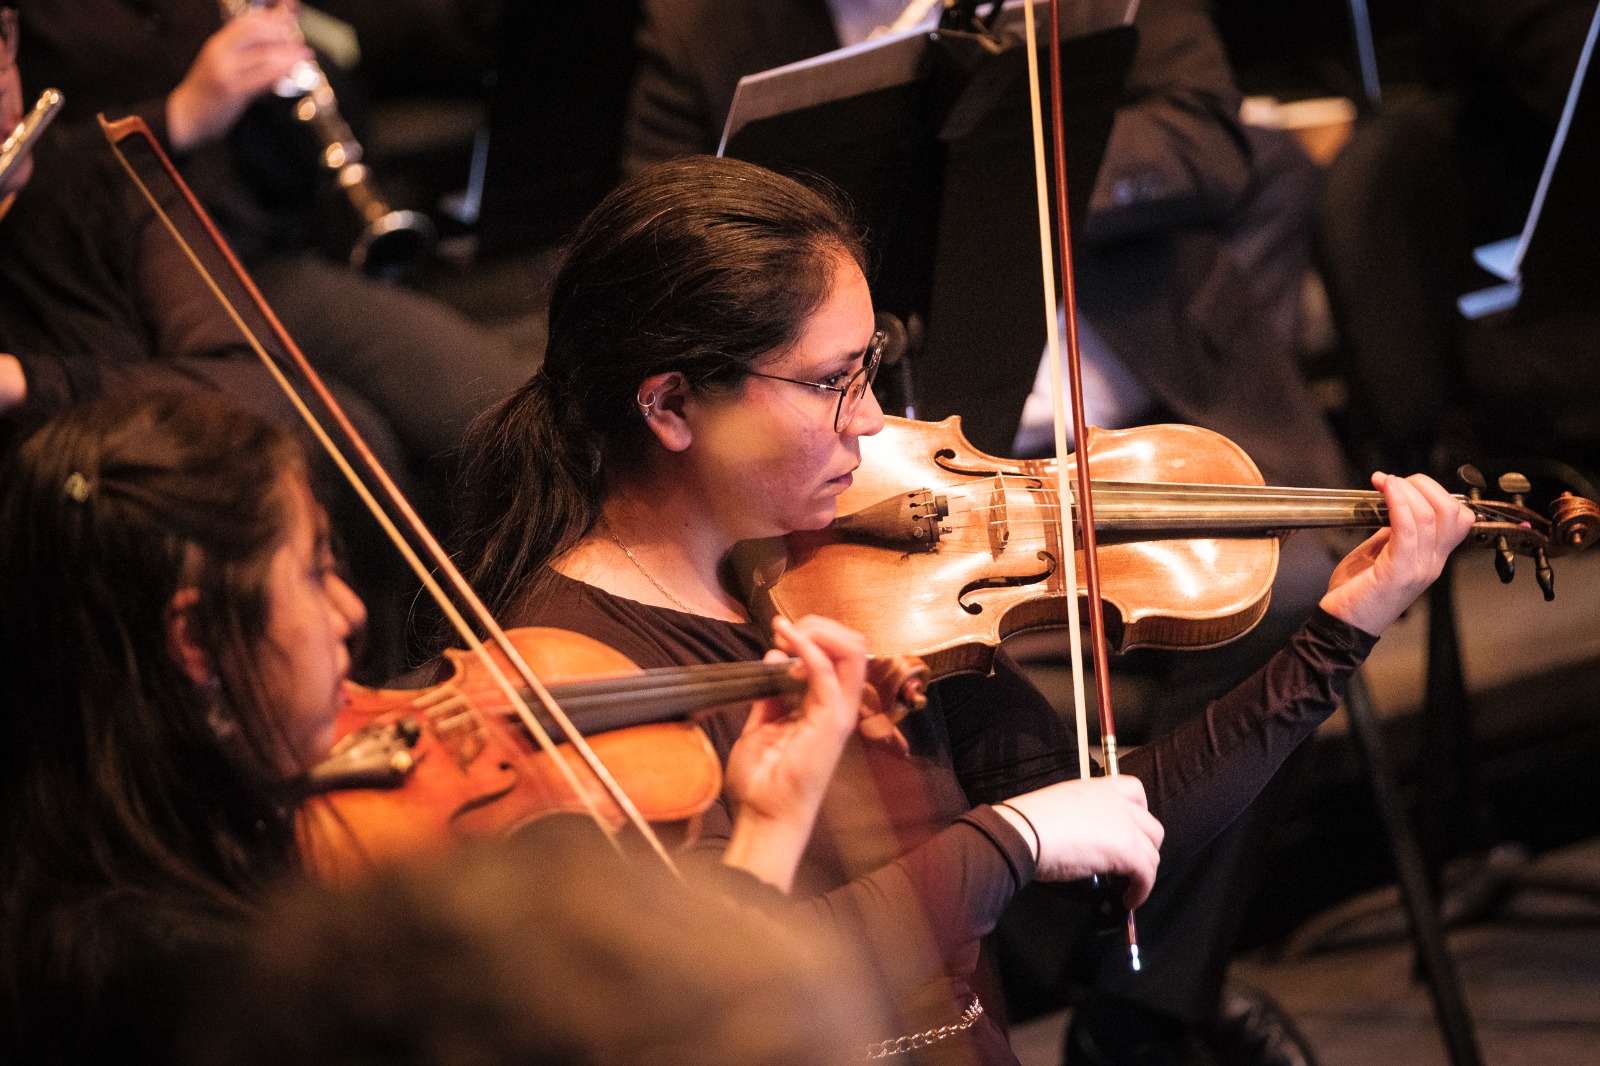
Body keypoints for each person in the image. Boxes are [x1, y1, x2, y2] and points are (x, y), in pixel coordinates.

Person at [451, 155, 1475, 1066]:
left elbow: (1117, 825)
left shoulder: (860, 579)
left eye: (868, 369)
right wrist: (1010, 840)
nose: (872, 420)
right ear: (671, 407)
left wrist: (1343, 628)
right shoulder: (574, 672)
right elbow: (725, 990)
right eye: (828, 383)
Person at [0, 388, 869, 1063]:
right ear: (193, 639)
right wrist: (769, 836)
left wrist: (762, 821)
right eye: (310, 575)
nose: (347, 613)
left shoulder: (101, 836)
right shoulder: (205, 979)